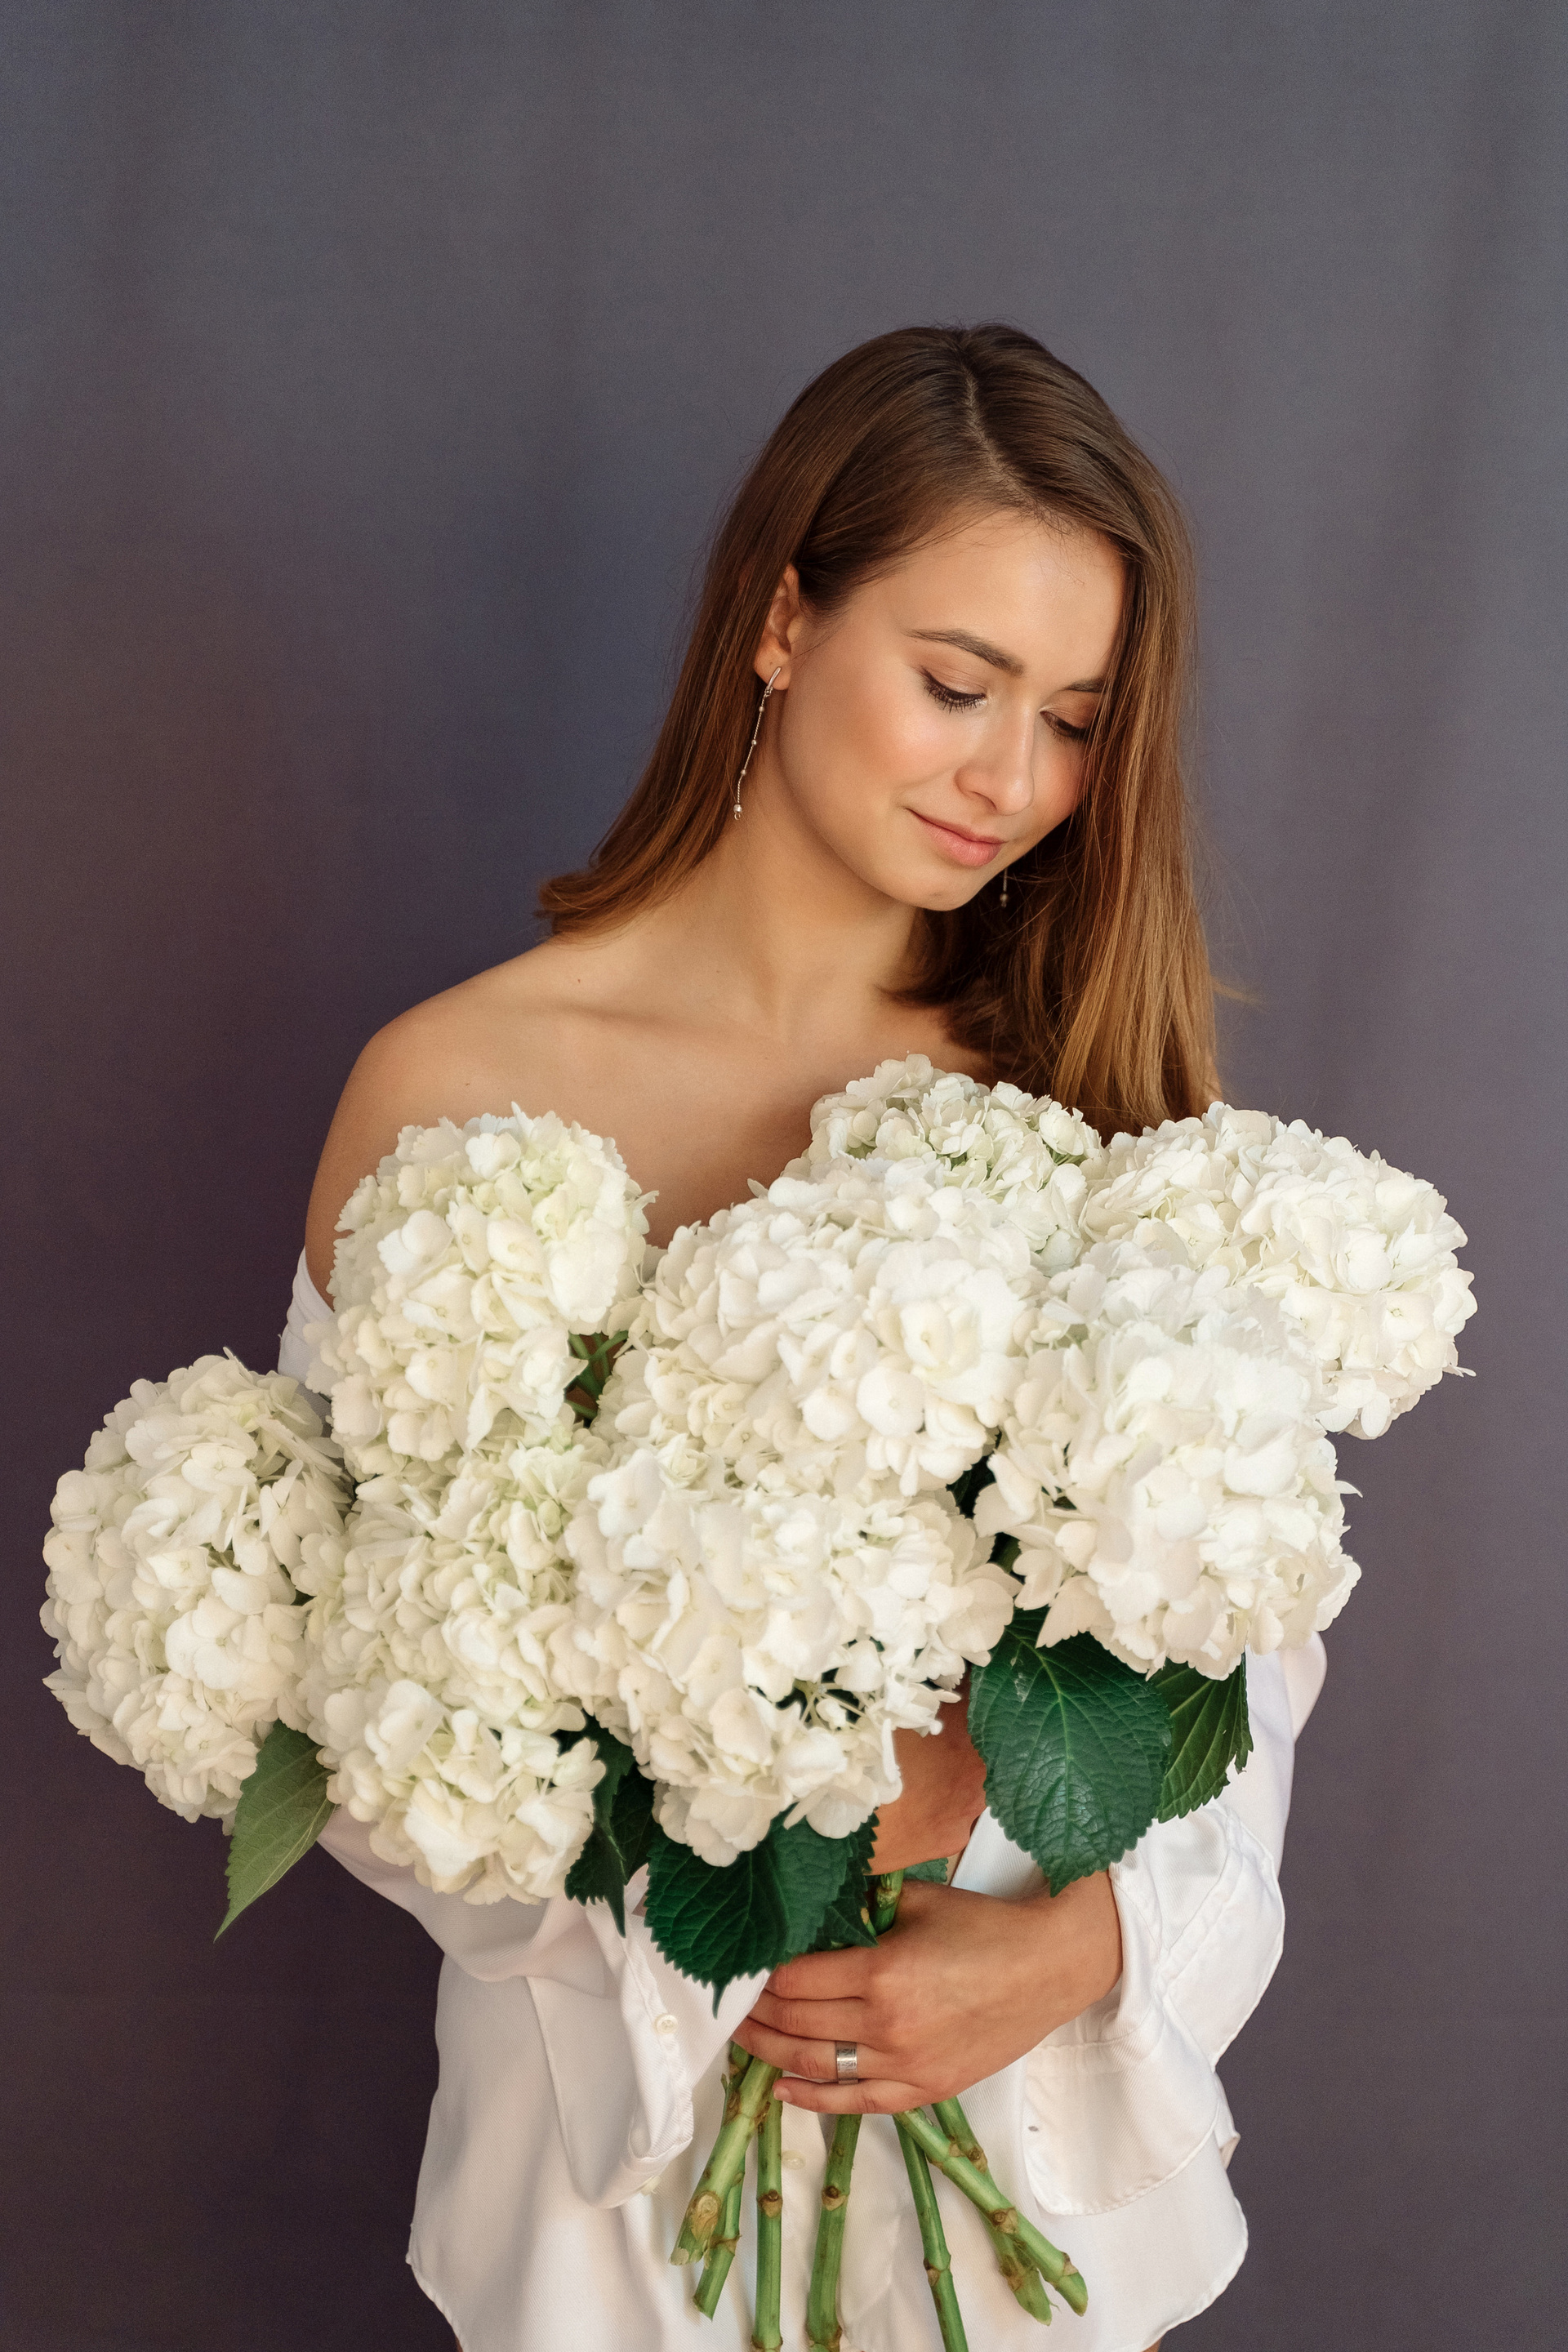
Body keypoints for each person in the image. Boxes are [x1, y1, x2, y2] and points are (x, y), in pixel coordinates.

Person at [280, 323, 1325, 2352]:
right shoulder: (453, 1094)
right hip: (621, 2176)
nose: (1009, 780)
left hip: (1019, 2157)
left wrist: (1089, 1945)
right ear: (781, 622)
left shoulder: (1087, 1089)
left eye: (1075, 720)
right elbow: (363, 1685)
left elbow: (1246, 1648)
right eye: (956, 684)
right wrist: (706, 1925)